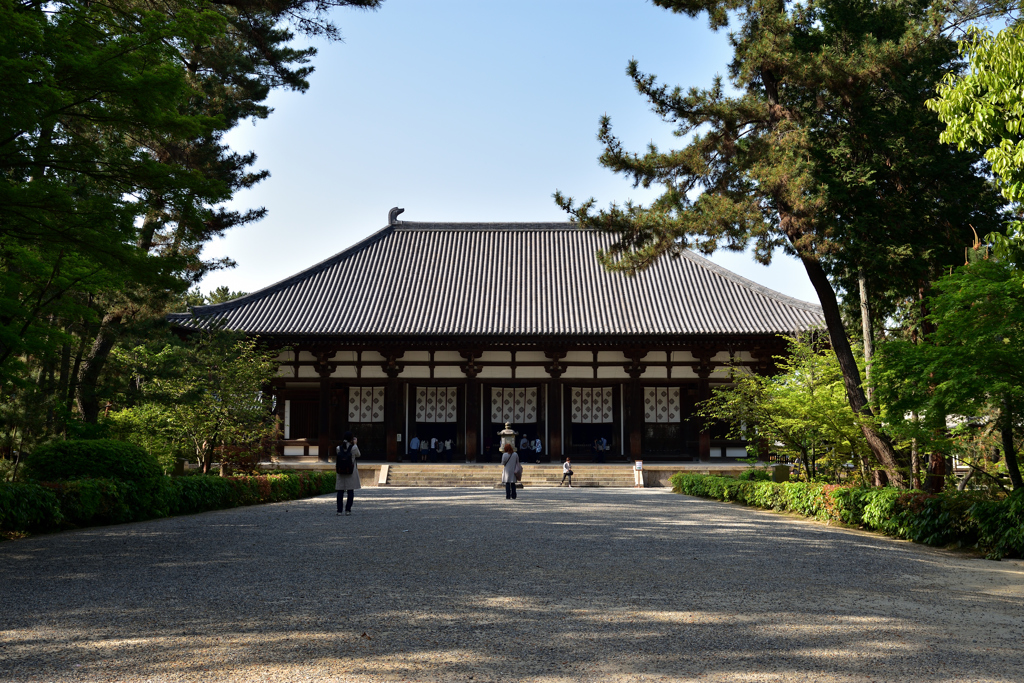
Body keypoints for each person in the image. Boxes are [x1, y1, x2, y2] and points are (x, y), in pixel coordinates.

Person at [335, 432, 361, 516]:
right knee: (350, 491)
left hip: (341, 471)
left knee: (340, 491)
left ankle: (339, 510)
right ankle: (348, 510)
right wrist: (355, 444)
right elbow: (358, 455)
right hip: (350, 471)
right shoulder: (354, 448)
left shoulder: (338, 448)